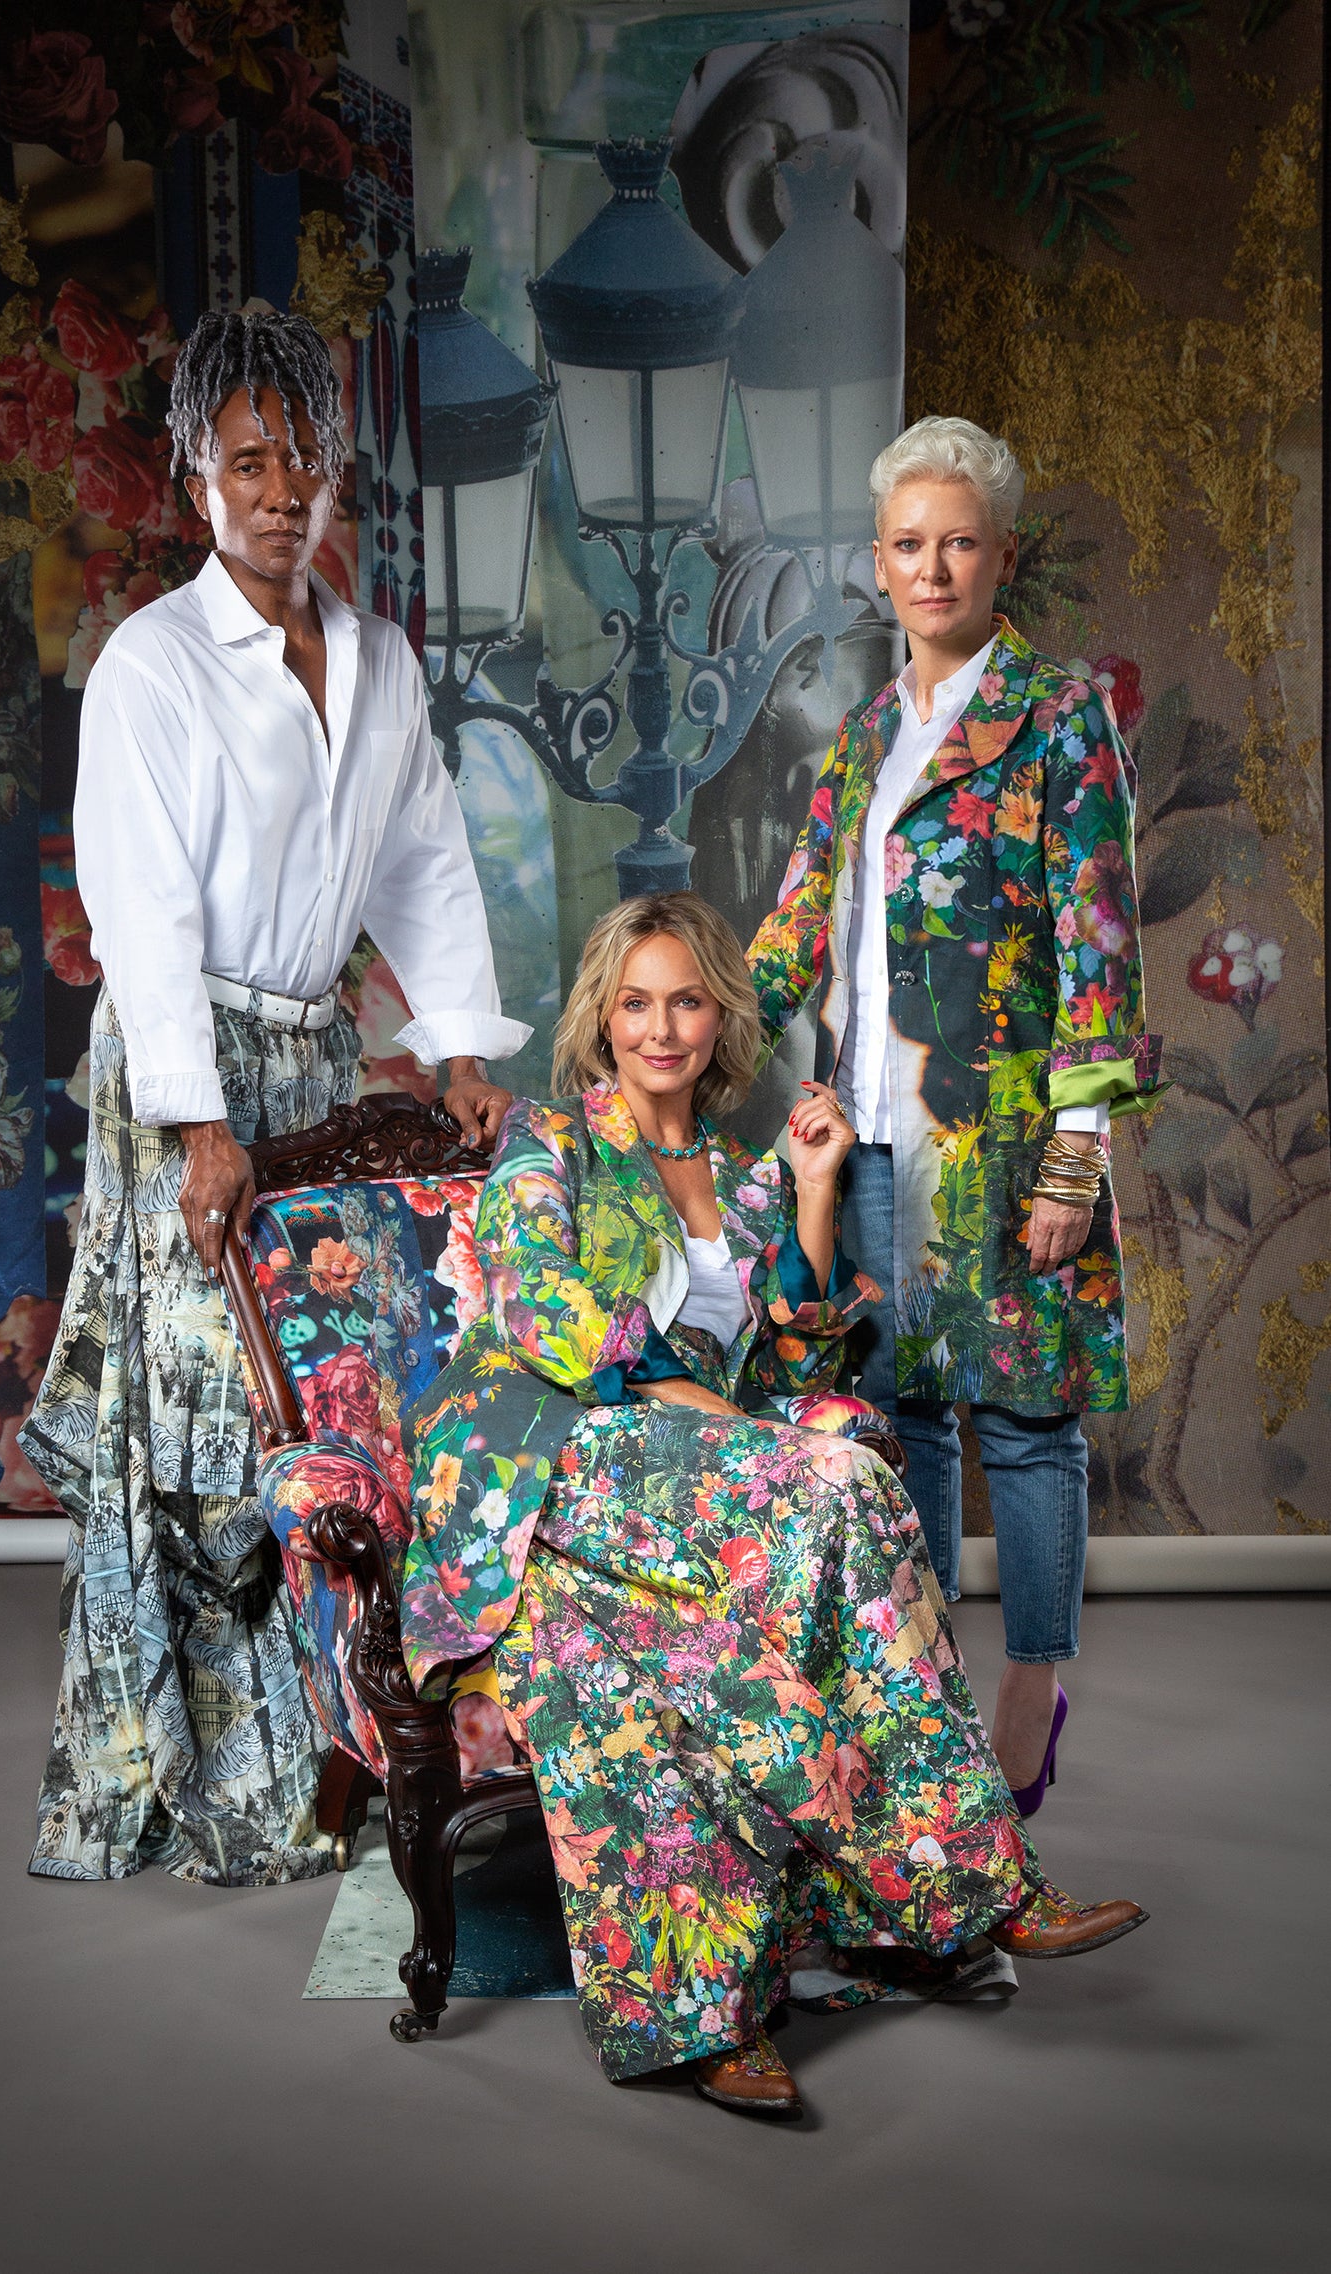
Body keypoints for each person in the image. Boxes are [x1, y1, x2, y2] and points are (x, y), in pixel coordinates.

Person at [398, 891, 1146, 2121]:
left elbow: (796, 1364)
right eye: (635, 1003)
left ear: (720, 1019)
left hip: (695, 1490)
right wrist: (701, 1403)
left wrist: (811, 1187)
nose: (660, 1028)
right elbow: (539, 1305)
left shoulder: (743, 1176)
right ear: (601, 1018)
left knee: (776, 1550)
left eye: (686, 1001)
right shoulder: (552, 1140)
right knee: (841, 1475)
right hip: (547, 1454)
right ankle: (983, 1884)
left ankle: (752, 1990)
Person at [20, 309, 530, 1887]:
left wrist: (458, 1048)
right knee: (195, 1418)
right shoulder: (151, 666)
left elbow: (425, 858)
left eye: (305, 457)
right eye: (249, 460)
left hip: (310, 1055)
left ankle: (329, 1750)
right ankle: (206, 1783)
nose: (282, 487)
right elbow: (140, 911)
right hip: (187, 1078)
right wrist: (198, 1125)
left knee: (306, 1401)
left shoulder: (377, 660)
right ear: (195, 479)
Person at [746, 415, 1159, 1813]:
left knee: (1025, 1419)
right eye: (910, 545)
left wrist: (1076, 1156)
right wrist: (666, 1030)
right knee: (905, 1420)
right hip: (868, 1135)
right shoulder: (866, 736)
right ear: (878, 563)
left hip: (1007, 1142)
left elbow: (1100, 945)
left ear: (1000, 557)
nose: (933, 569)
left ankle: (1033, 1679)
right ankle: (920, 1689)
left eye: (960, 543)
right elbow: (798, 928)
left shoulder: (1057, 717)